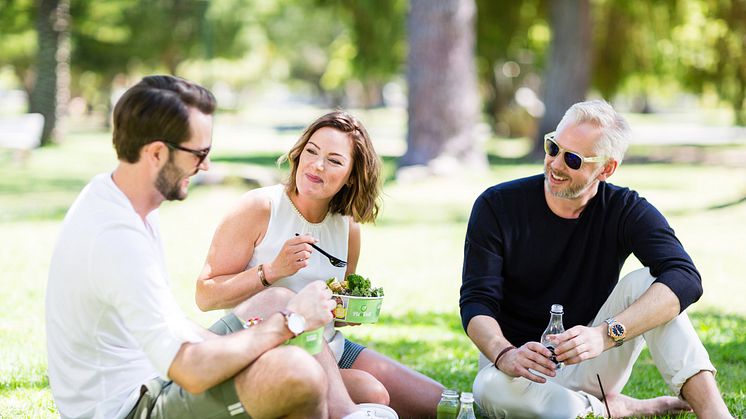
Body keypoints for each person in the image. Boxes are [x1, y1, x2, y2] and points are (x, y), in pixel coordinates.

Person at [45, 75, 370, 419]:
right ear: (156, 153)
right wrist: (290, 324)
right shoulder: (116, 239)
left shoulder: (126, 203)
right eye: (199, 153)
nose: (206, 166)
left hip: (158, 375)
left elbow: (173, 329)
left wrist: (266, 332)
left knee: (279, 300)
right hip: (132, 406)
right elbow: (191, 371)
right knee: (297, 372)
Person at [460, 100, 733, 418]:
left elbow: (685, 277)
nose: (556, 164)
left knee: (651, 282)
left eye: (573, 159)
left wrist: (605, 333)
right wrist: (504, 352)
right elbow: (477, 301)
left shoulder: (625, 209)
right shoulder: (497, 206)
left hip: (590, 359)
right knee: (487, 388)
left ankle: (716, 414)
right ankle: (611, 408)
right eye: (553, 148)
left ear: (606, 168)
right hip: (514, 370)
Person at [196, 110, 445, 418]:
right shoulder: (261, 207)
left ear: (352, 175)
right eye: (311, 152)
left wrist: (346, 310)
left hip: (327, 344)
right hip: (263, 345)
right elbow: (205, 295)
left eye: (334, 160)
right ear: (298, 154)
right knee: (372, 392)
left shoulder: (347, 227)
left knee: (441, 402)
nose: (316, 165)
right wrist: (271, 272)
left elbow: (335, 307)